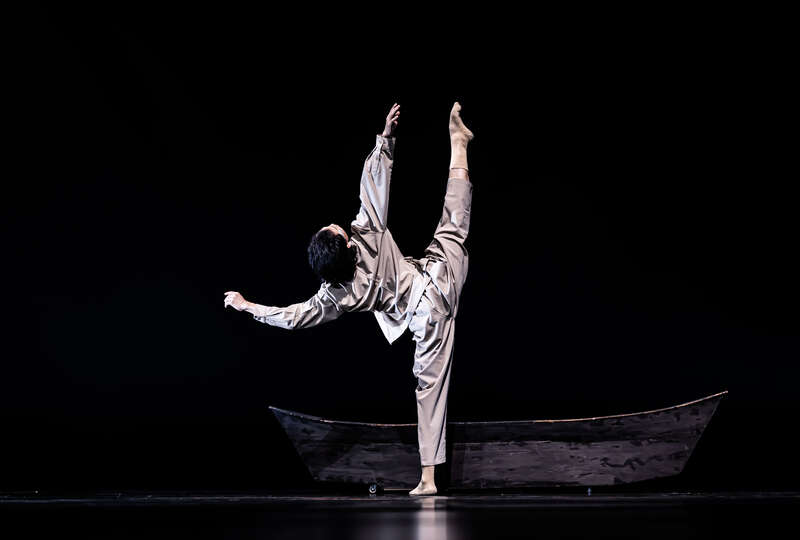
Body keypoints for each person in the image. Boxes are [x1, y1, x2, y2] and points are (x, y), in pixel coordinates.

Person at [224, 102, 474, 495]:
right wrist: (386, 139)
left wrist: (247, 306)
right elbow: (374, 182)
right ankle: (458, 145)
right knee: (453, 221)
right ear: (346, 245)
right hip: (437, 289)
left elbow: (294, 316)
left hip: (427, 301)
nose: (335, 224)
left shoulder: (336, 295)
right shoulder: (366, 232)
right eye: (335, 230)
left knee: (428, 388)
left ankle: (428, 478)